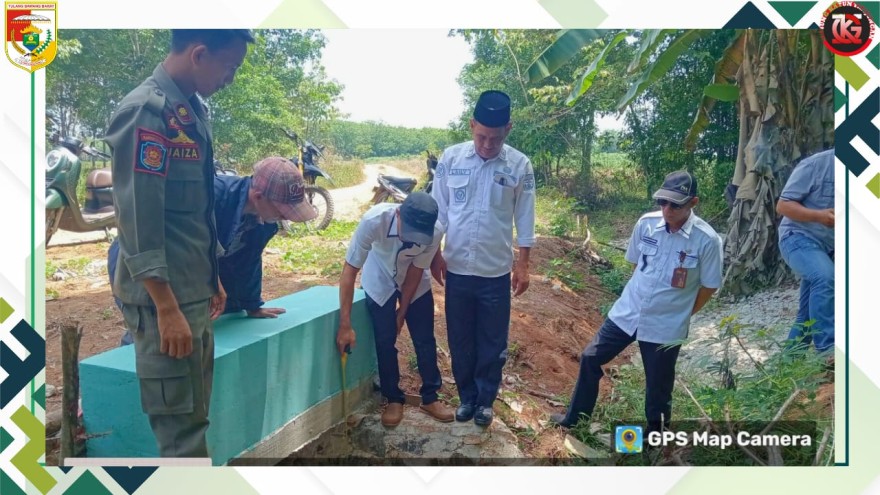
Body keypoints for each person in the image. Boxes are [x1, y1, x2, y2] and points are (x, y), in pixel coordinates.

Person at [104, 29, 254, 458]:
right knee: (181, 437)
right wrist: (166, 308)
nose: (230, 78)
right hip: (163, 302)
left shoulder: (189, 111)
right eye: (230, 67)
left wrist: (213, 277)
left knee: (194, 418)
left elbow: (194, 211)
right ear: (199, 54)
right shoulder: (146, 113)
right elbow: (138, 221)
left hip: (192, 293)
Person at [549, 171, 723, 434]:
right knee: (589, 358)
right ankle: (575, 418)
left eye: (675, 204)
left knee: (658, 388)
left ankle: (656, 441)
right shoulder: (646, 224)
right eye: (662, 202)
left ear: (693, 203)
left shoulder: (706, 240)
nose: (667, 209)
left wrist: (682, 313)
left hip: (666, 325)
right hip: (627, 313)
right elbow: (635, 265)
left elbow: (709, 286)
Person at [109, 157, 319, 343]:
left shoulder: (264, 217)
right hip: (145, 259)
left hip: (193, 263)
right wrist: (173, 306)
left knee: (201, 326)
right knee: (154, 331)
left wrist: (251, 304)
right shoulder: (209, 196)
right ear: (258, 196)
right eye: (282, 211)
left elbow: (248, 260)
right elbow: (167, 242)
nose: (285, 218)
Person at [430, 90, 536, 427]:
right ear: (472, 124)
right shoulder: (451, 159)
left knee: (492, 340)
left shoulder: (520, 165)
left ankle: (486, 400)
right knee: (460, 338)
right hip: (457, 267)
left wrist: (523, 263)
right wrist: (434, 253)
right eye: (481, 136)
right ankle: (467, 397)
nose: (487, 145)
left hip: (494, 272)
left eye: (495, 138)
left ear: (508, 129)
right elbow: (439, 211)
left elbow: (526, 217)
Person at [335, 192, 455, 427]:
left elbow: (416, 271)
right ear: (398, 213)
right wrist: (345, 323)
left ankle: (430, 397)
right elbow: (349, 271)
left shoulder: (435, 231)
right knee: (385, 339)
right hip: (379, 277)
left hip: (414, 282)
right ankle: (393, 398)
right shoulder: (373, 221)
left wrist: (402, 312)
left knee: (424, 339)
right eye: (407, 230)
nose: (411, 239)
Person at [776, 148, 835, 357]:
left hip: (828, 248)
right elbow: (783, 206)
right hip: (797, 236)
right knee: (825, 277)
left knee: (807, 315)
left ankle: (789, 367)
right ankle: (829, 350)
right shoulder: (816, 165)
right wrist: (819, 216)